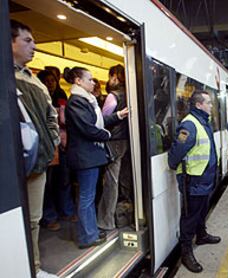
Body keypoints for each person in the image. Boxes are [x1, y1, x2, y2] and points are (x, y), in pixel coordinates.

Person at [11, 20, 60, 278]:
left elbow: (51, 116)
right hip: (11, 164)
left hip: (36, 162)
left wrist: (51, 142)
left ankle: (34, 268)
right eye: (27, 41)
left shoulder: (34, 80)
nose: (34, 46)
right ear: (10, 42)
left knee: (32, 220)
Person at [64, 67, 128, 249]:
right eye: (90, 79)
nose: (94, 82)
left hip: (90, 156)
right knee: (86, 197)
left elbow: (99, 123)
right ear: (78, 81)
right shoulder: (77, 101)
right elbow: (88, 128)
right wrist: (109, 136)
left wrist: (118, 115)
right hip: (85, 157)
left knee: (89, 196)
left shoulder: (87, 101)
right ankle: (87, 237)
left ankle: (91, 230)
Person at [168, 90, 221, 273]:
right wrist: (177, 168)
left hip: (204, 179)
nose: (211, 105)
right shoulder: (190, 124)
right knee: (189, 217)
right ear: (199, 105)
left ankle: (202, 235)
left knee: (201, 210)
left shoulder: (202, 122)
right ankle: (186, 252)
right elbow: (176, 152)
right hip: (193, 180)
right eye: (209, 102)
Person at [37, 70, 76, 231]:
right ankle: (49, 216)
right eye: (47, 80)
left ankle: (66, 211)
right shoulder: (39, 98)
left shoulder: (61, 96)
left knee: (63, 180)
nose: (51, 83)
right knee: (46, 184)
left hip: (62, 146)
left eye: (53, 80)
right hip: (45, 146)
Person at [97, 64, 132, 231]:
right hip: (127, 141)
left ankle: (106, 220)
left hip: (114, 142)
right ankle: (127, 212)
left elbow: (102, 121)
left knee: (111, 181)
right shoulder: (132, 93)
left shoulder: (113, 96)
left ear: (115, 77)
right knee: (124, 179)